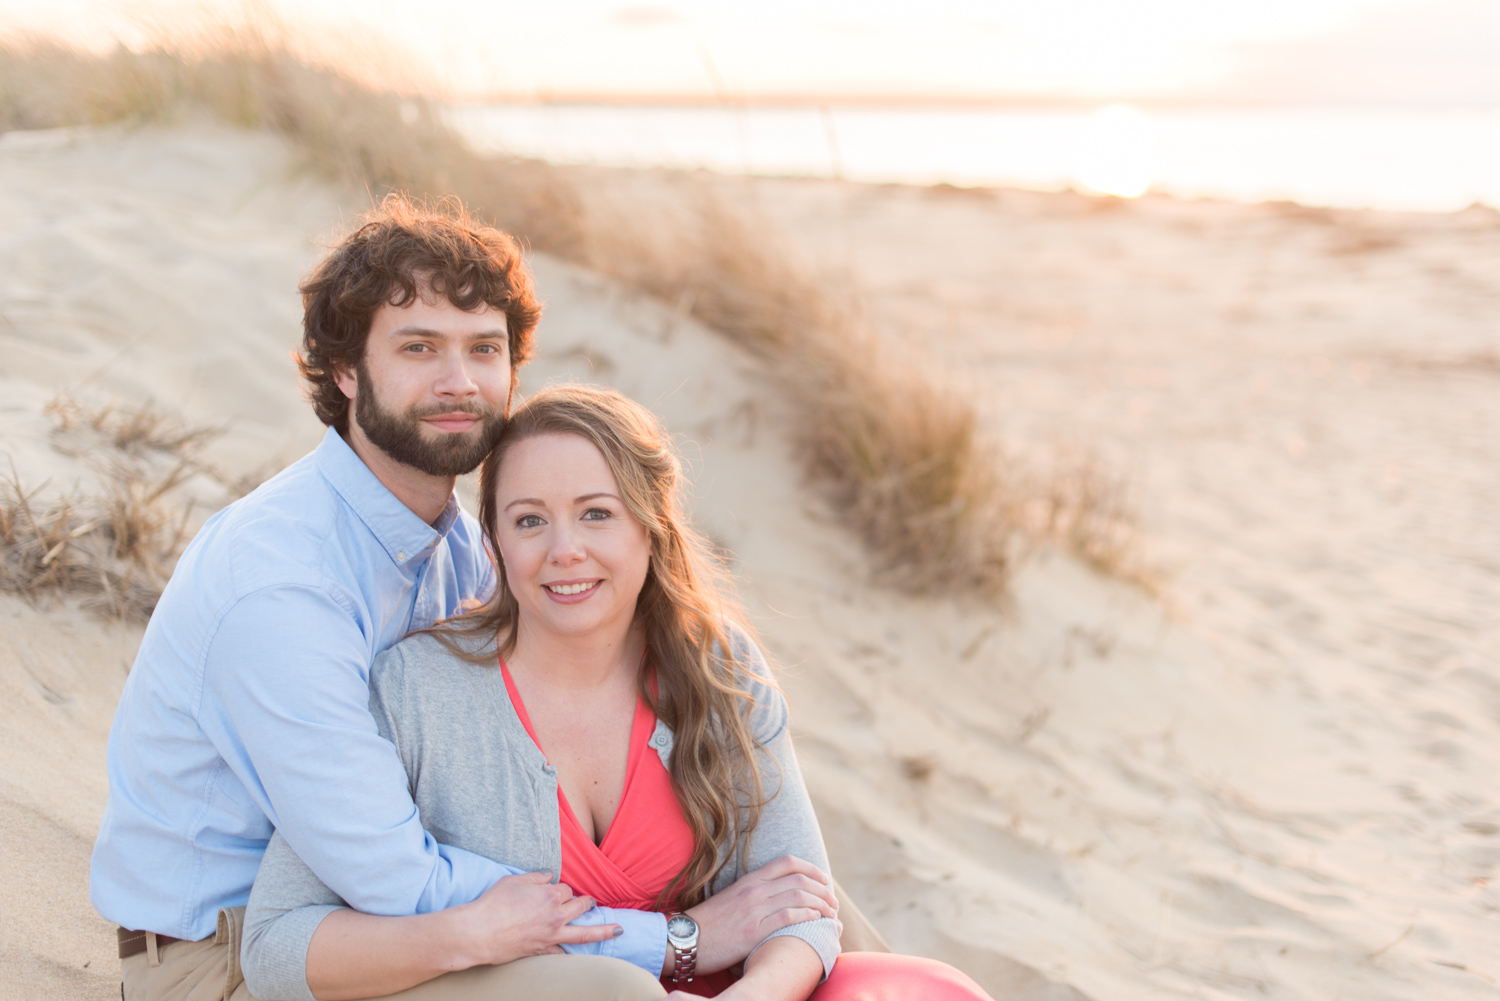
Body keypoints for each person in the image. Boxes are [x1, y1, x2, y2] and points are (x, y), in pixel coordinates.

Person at [90, 198, 678, 1001]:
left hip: (406, 924)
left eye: (484, 349)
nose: (459, 381)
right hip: (231, 960)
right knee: (614, 991)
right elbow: (392, 874)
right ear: (344, 370)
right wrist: (675, 939)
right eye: (419, 348)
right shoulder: (285, 581)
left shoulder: (465, 546)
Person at [241, 385, 994, 1001]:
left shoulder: (718, 667)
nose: (564, 549)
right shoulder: (418, 688)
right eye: (530, 519)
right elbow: (276, 945)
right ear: (495, 543)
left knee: (923, 989)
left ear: (651, 527)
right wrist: (472, 933)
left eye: (596, 513)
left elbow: (802, 905)